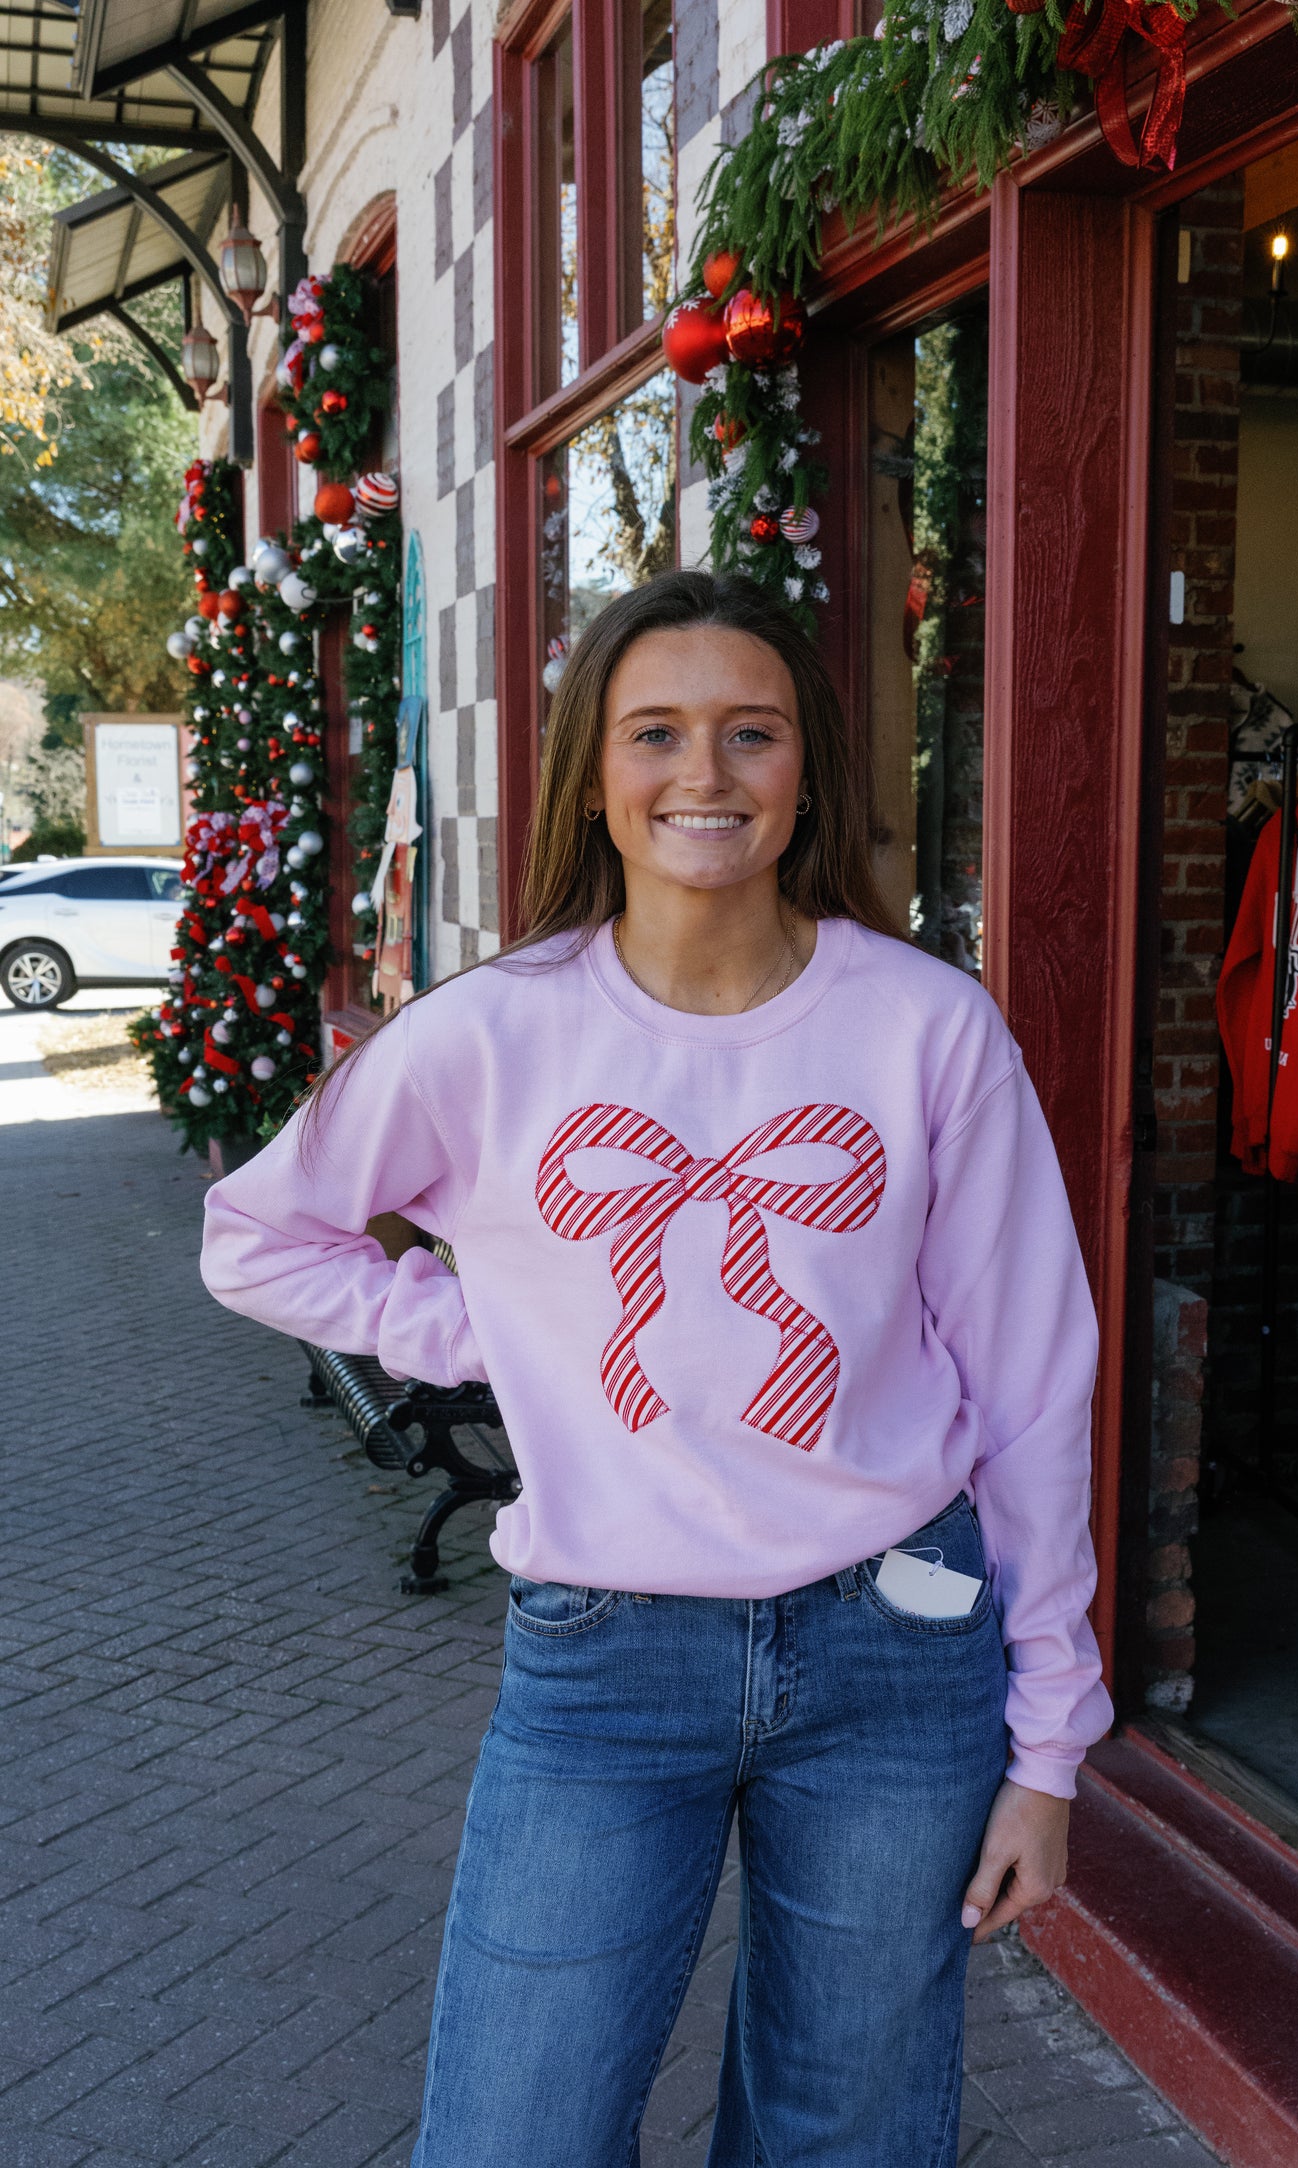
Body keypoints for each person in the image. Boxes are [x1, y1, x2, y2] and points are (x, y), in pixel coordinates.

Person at [200, 569, 1113, 2168]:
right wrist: (482, 1328)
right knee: (515, 2134)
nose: (705, 772)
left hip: (898, 1652)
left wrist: (1049, 1747)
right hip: (606, 1662)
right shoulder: (491, 1035)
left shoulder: (927, 1028)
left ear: (808, 767)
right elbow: (254, 1237)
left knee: (845, 2136)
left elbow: (1031, 1386)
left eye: (750, 731)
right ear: (590, 776)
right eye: (656, 733)